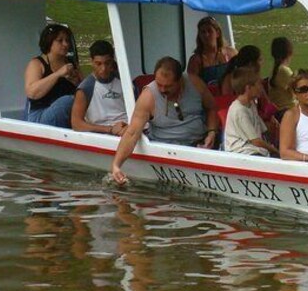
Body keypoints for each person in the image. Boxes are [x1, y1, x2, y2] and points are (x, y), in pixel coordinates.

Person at [111, 57, 218, 185]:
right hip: (166, 150)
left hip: (200, 146)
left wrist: (212, 132)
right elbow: (132, 133)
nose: (162, 90)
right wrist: (116, 165)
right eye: (159, 84)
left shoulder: (195, 83)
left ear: (180, 80)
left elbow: (211, 108)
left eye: (167, 86)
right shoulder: (148, 96)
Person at [24, 23, 82, 127]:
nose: (66, 44)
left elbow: (85, 90)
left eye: (67, 40)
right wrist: (58, 74)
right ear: (49, 41)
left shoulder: (71, 64)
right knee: (69, 100)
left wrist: (76, 82)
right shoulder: (37, 63)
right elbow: (32, 93)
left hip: (67, 115)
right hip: (40, 115)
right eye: (60, 41)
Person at [71, 40, 128, 136]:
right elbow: (76, 124)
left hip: (127, 128)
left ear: (112, 60)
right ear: (91, 62)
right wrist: (109, 129)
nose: (103, 69)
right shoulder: (85, 88)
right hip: (103, 133)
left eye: (107, 63)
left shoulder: (123, 80)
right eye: (99, 64)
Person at [224, 67, 278, 157]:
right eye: (259, 84)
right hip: (243, 152)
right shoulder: (240, 110)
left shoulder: (251, 103)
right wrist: (276, 150)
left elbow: (262, 129)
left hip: (253, 149)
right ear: (248, 88)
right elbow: (256, 141)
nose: (261, 88)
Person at [186, 16, 237, 87]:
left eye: (209, 31)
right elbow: (192, 86)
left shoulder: (231, 53)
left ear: (217, 33)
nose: (206, 35)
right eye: (203, 32)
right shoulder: (196, 60)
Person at [268, 37, 296, 111]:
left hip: (279, 109)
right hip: (287, 109)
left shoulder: (275, 69)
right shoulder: (284, 71)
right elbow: (296, 92)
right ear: (290, 53)